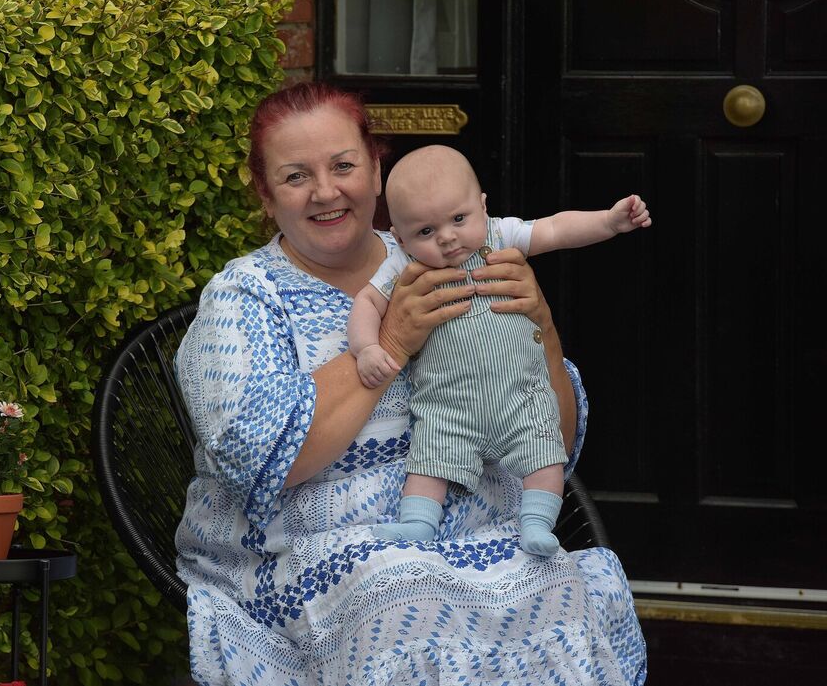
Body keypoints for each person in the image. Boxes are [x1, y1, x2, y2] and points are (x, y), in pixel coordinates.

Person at [174, 82, 646, 685]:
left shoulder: (452, 248)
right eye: (295, 177)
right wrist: (392, 342)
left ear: (376, 171)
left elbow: (555, 436)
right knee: (409, 607)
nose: (326, 191)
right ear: (266, 196)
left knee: (569, 594)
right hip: (321, 555)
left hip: (482, 535)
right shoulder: (247, 297)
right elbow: (260, 459)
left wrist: (543, 331)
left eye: (343, 166)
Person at [348, 145, 651, 554]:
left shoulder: (501, 236)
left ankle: (537, 523)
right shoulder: (403, 264)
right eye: (426, 232)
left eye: (459, 219)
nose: (447, 237)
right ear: (399, 238)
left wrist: (609, 222)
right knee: (428, 460)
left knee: (546, 455)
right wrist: (367, 347)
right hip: (448, 405)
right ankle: (417, 523)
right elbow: (367, 302)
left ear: (483, 206)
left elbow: (555, 229)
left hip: (520, 396)